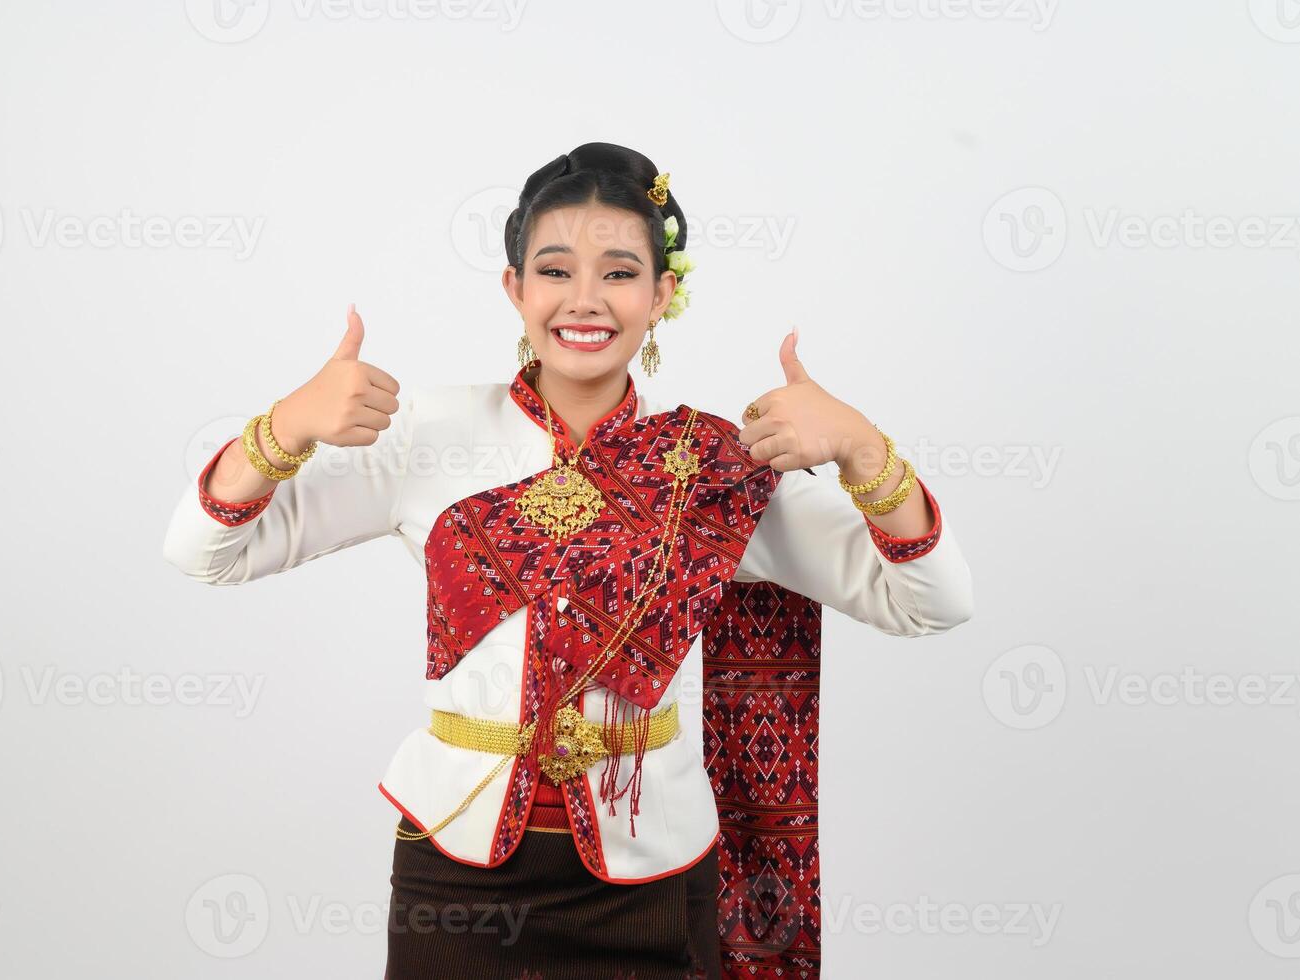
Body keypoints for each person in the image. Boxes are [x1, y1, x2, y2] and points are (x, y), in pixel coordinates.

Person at [162, 142, 975, 980]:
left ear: (663, 294)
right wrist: (284, 428)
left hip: (652, 876)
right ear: (514, 288)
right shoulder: (425, 438)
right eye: (554, 269)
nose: (584, 300)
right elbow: (204, 554)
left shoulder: (721, 467)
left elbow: (932, 603)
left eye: (619, 273)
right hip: (456, 866)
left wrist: (862, 450)